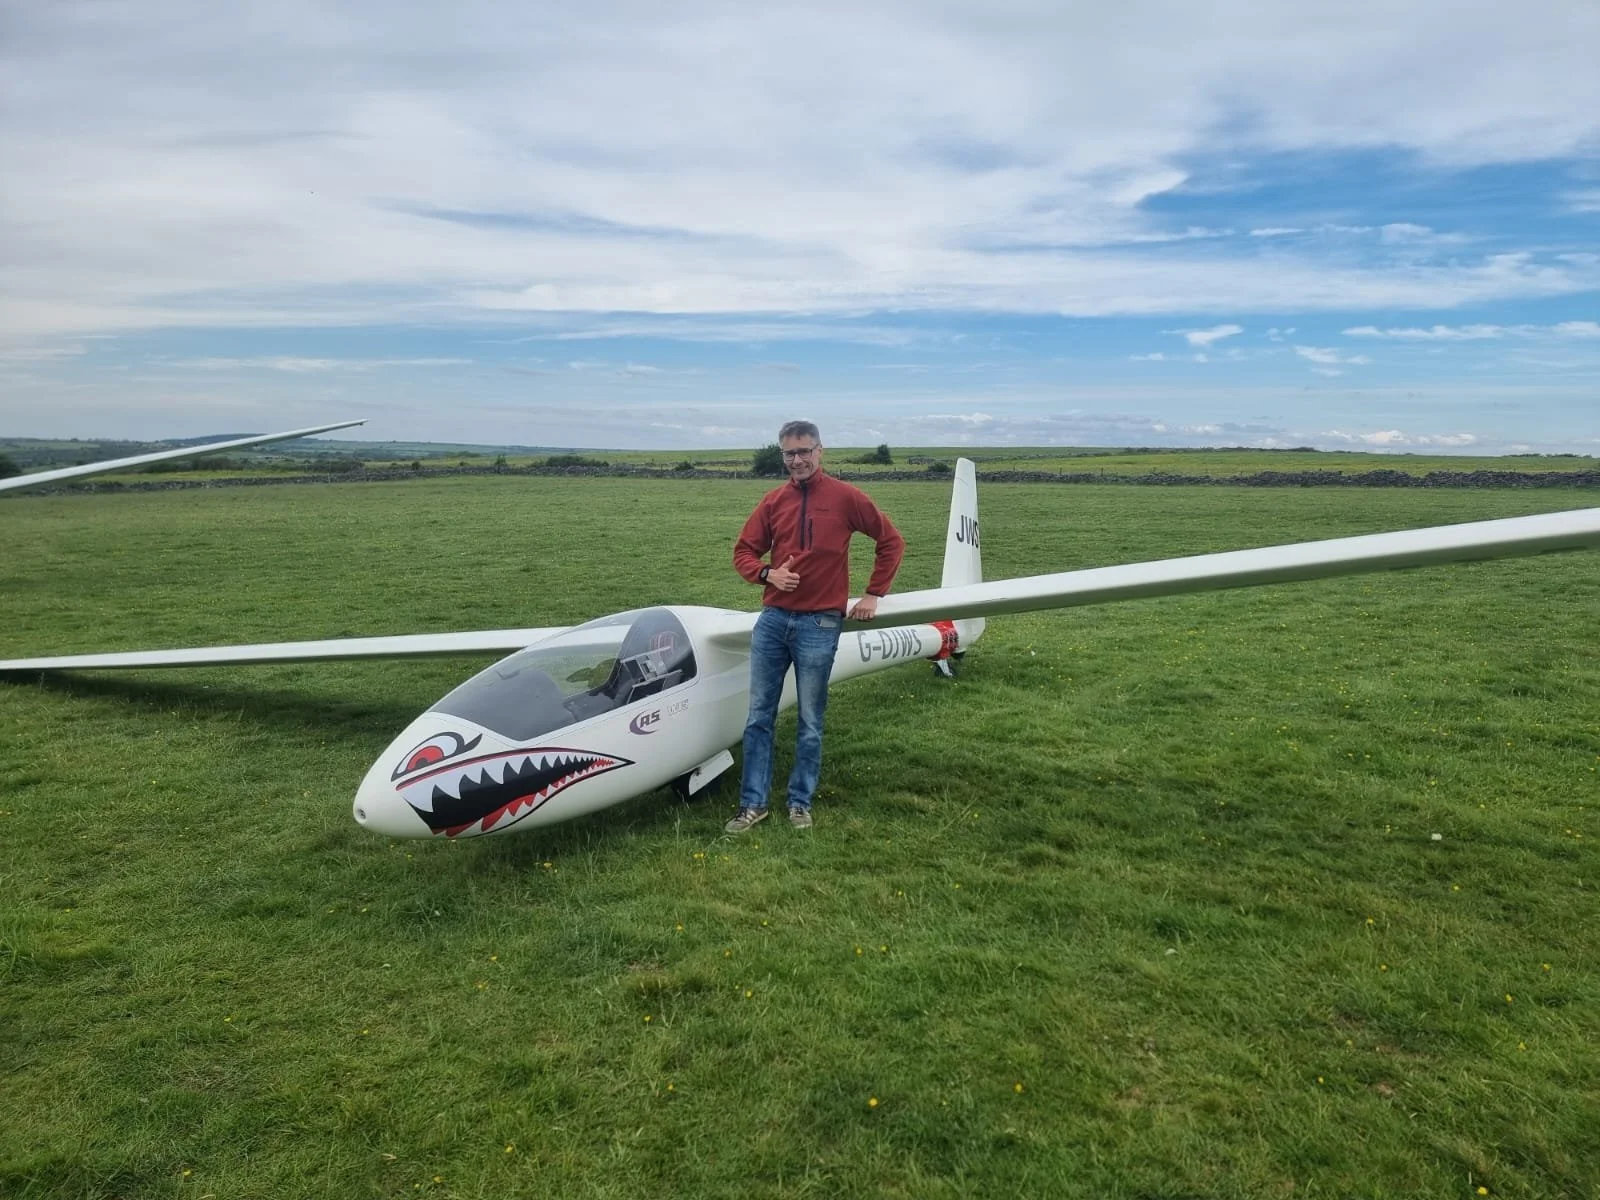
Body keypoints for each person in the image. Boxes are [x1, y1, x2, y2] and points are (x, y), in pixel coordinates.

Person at [727, 420, 904, 831]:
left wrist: (874, 593)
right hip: (772, 621)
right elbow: (743, 551)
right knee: (758, 718)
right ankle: (752, 804)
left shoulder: (845, 497)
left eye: (805, 451)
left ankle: (799, 802)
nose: (798, 459)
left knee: (810, 720)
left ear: (820, 451)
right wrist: (767, 574)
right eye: (790, 453)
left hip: (820, 624)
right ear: (782, 456)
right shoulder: (773, 502)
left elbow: (890, 540)